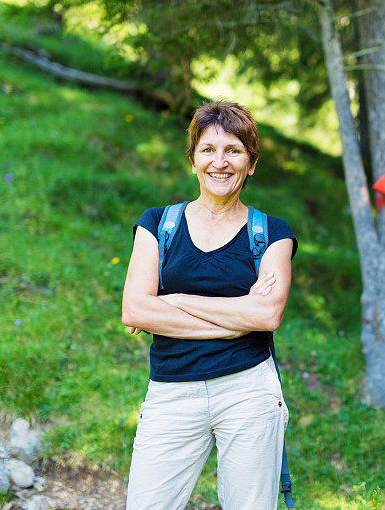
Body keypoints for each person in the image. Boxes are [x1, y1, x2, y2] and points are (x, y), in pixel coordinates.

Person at [122, 100, 298, 510]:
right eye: (208, 150)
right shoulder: (156, 224)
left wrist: (176, 301)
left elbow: (268, 315)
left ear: (251, 163)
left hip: (248, 392)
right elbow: (135, 311)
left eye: (234, 150)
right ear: (194, 159)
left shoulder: (271, 232)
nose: (220, 162)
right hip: (171, 391)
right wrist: (241, 316)